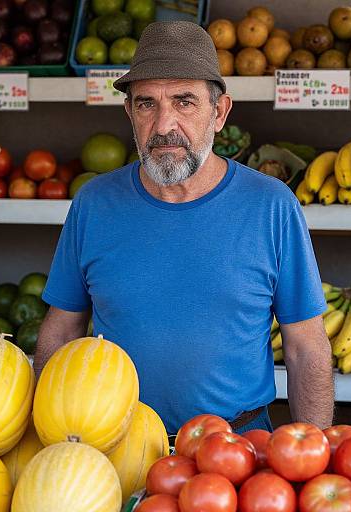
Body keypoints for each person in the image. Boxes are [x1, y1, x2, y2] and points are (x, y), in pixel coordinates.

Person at [35, 21, 334, 435]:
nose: (163, 125)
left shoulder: (271, 206)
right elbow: (61, 330)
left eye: (184, 102)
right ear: (129, 112)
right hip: (116, 445)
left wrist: (313, 457)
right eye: (146, 104)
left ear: (219, 112)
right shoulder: (94, 203)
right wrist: (46, 439)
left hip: (236, 449)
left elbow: (306, 349)